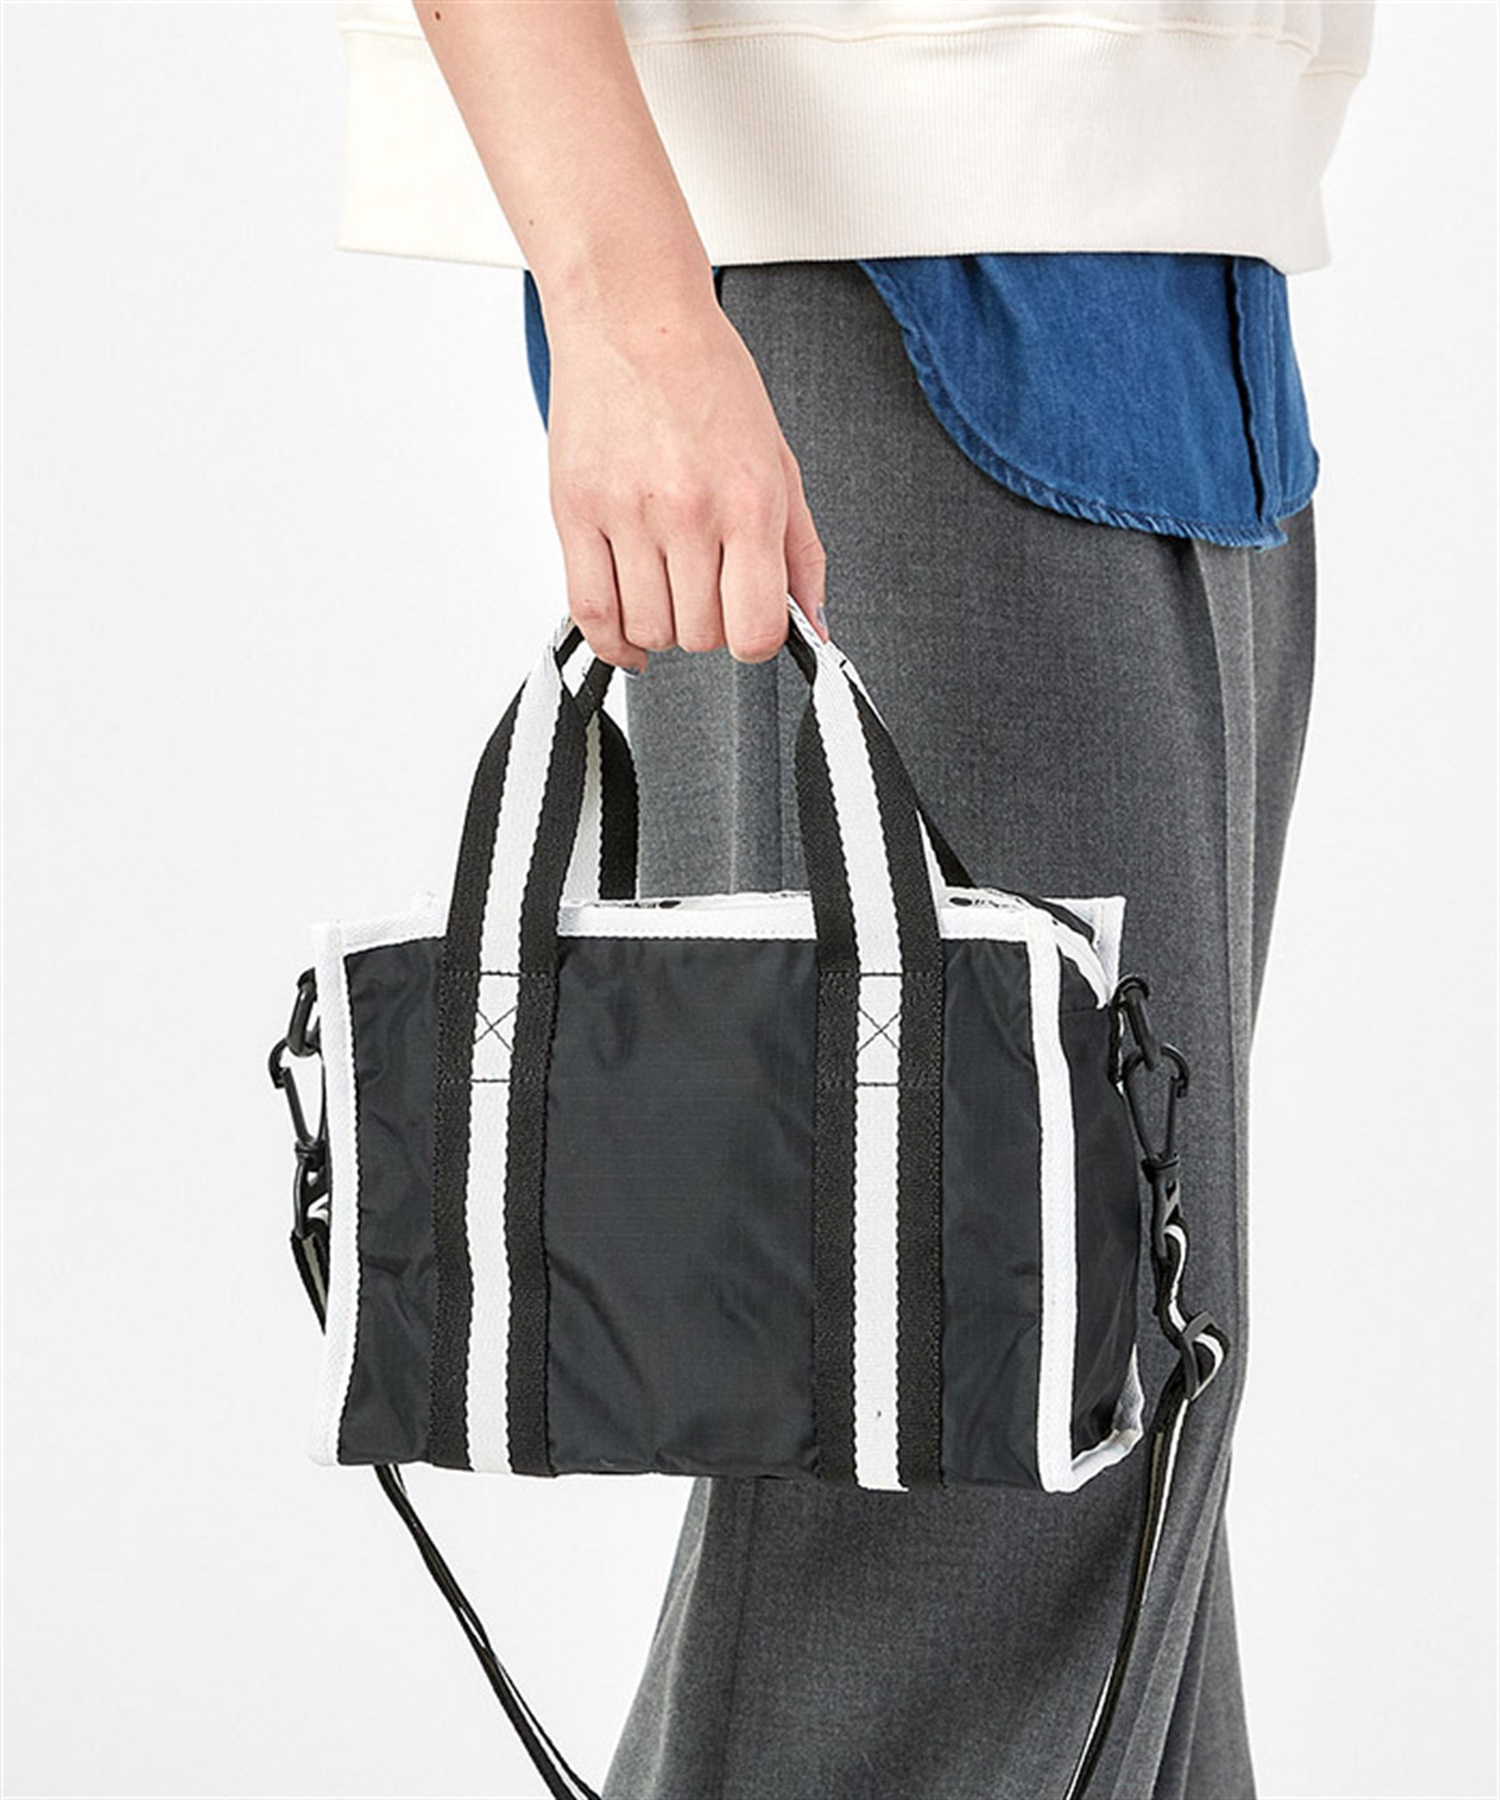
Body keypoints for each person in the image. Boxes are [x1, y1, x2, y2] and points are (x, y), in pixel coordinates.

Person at [333, 2, 1376, 1793]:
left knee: (1122, 1436)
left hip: (1190, 265)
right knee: (962, 1448)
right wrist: (630, 314)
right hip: (873, 263)